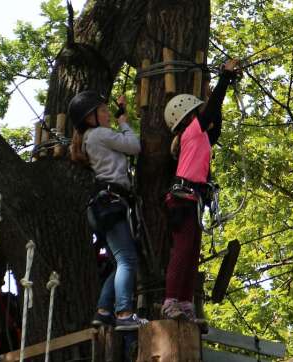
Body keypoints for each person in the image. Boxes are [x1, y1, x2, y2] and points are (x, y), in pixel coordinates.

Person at [162, 59, 240, 321]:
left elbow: (214, 120)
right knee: (183, 251)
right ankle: (170, 300)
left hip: (191, 199)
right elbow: (212, 110)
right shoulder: (191, 132)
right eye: (198, 112)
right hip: (183, 199)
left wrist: (216, 88)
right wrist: (224, 77)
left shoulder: (201, 136)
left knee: (192, 253)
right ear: (188, 117)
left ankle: (184, 303)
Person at [69, 90, 146, 331]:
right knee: (127, 260)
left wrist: (121, 113)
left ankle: (103, 311)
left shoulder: (91, 137)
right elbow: (134, 147)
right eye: (102, 111)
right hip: (111, 204)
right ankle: (123, 313)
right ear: (90, 117)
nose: (107, 115)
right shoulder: (100, 134)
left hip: (103, 206)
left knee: (119, 262)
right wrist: (124, 123)